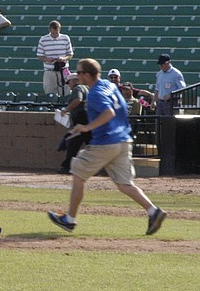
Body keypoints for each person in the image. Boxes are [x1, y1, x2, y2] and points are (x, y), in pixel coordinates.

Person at [47, 58, 167, 236]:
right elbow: (119, 107)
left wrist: (87, 127)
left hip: (105, 142)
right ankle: (153, 211)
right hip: (123, 140)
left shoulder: (95, 93)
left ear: (87, 74)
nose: (77, 75)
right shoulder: (109, 86)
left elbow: (109, 112)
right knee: (124, 184)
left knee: (78, 172)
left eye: (79, 72)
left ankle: (69, 219)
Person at [57, 73, 90, 174]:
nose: (69, 85)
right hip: (89, 118)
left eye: (69, 82)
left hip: (81, 119)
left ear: (75, 81)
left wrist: (66, 110)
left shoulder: (78, 88)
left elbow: (77, 100)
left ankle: (67, 166)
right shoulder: (88, 88)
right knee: (91, 144)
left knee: (73, 143)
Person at [37, 20, 73, 96]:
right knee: (50, 93)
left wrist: (64, 58)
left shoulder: (65, 38)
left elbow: (70, 54)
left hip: (64, 69)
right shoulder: (43, 39)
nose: (55, 35)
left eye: (57, 33)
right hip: (49, 70)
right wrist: (47, 60)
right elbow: (40, 55)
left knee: (66, 92)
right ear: (49, 30)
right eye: (53, 33)